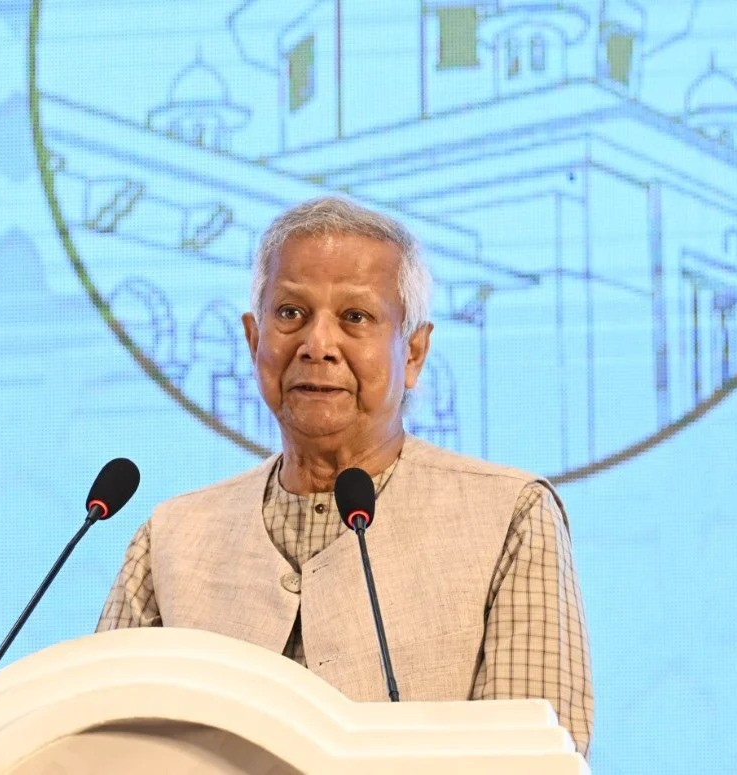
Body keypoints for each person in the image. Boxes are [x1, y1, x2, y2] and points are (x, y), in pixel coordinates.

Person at [98, 196, 593, 756]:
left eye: (355, 317)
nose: (317, 346)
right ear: (254, 340)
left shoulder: (510, 517)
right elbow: (96, 748)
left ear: (414, 352)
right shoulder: (170, 537)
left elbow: (530, 759)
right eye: (290, 314)